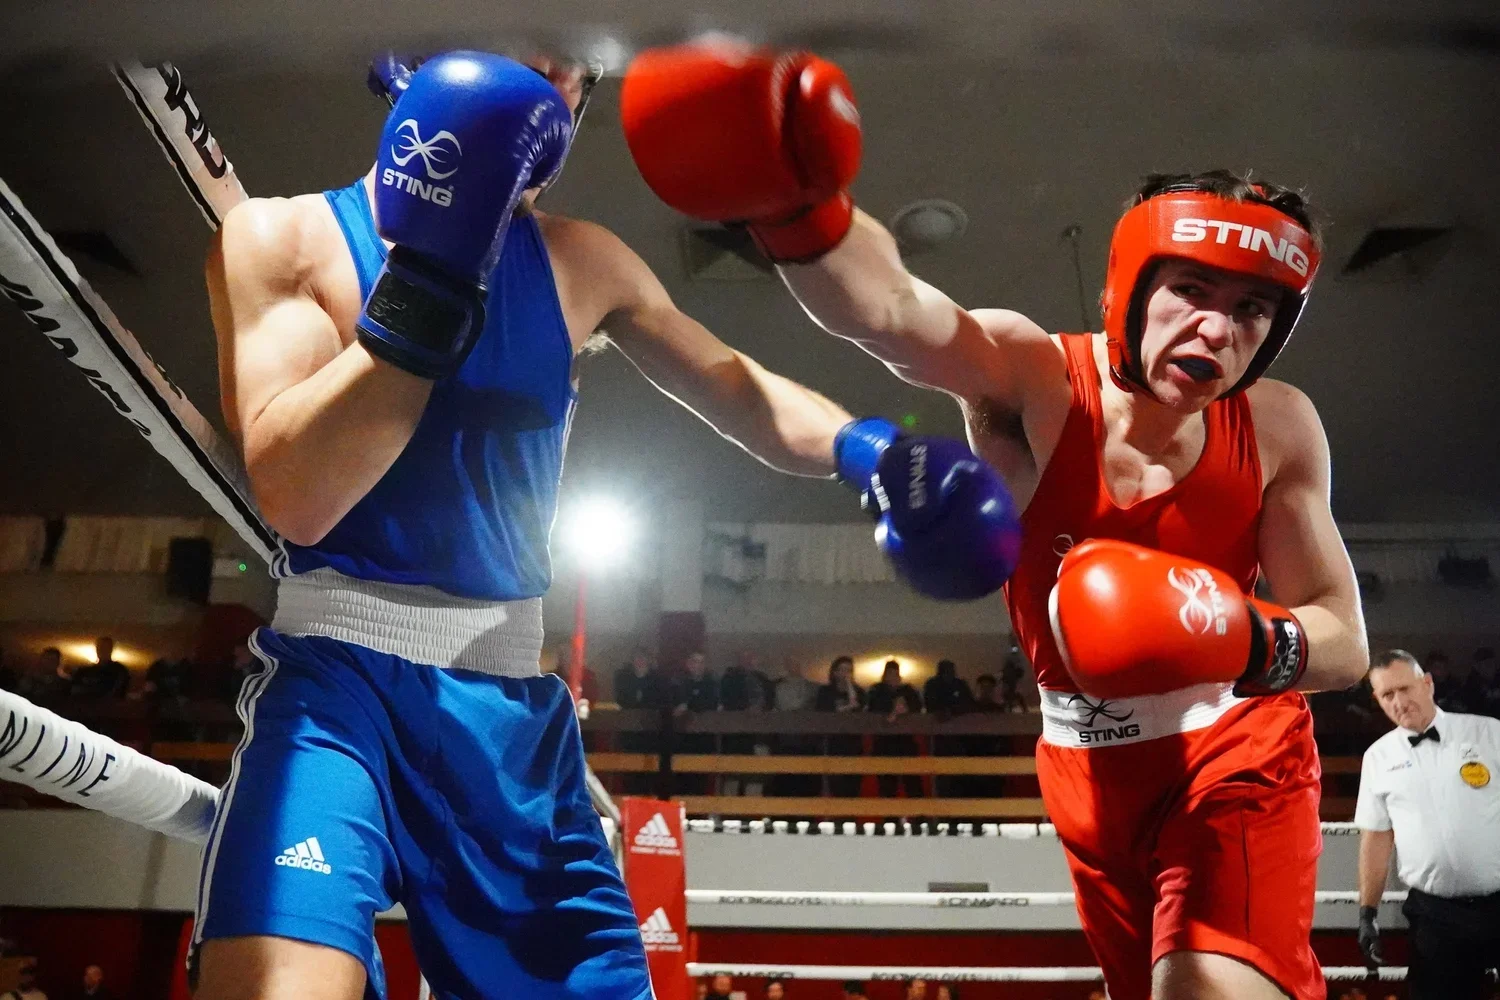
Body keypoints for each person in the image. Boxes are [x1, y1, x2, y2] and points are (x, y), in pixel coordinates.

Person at [199, 48, 1019, 1000]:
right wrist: (431, 275)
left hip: (506, 709)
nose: (558, 89)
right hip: (339, 684)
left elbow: (737, 389)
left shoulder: (580, 259)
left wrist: (867, 451)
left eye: (576, 75)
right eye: (532, 54)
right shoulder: (283, 237)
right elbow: (296, 496)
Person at [621, 41, 1372, 1000]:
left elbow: (1344, 640)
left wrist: (1237, 633)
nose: (1218, 330)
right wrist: (797, 211)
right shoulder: (1036, 378)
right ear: (1134, 286)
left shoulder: (1277, 424)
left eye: (1253, 310)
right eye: (1191, 291)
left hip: (1237, 753)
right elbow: (893, 314)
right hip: (1086, 773)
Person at [1355, 650, 1500, 1000]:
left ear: (1428, 683)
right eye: (1387, 695)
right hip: (1435, 917)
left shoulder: (1489, 734)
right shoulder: (1377, 757)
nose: (1398, 702)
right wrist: (1367, 913)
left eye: (1405, 688)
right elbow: (1376, 839)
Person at [817, 655, 866, 797]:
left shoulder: (859, 691)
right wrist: (847, 708)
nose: (846, 673)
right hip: (833, 743)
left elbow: (858, 706)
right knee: (835, 784)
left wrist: (850, 686)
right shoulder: (825, 691)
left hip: (854, 744)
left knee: (854, 785)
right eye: (843, 669)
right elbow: (824, 711)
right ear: (835, 672)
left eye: (849, 670)